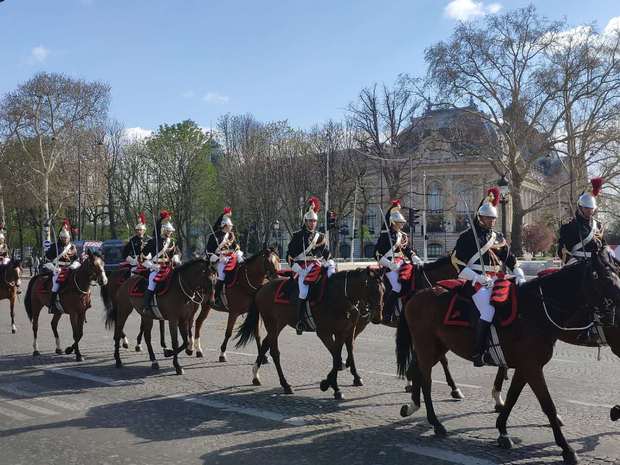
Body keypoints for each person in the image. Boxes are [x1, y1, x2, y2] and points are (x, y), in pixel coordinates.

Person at [451, 187, 525, 367]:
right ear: (480, 217)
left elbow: (510, 259)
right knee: (489, 311)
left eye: (494, 218)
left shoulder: (497, 237)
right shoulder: (468, 237)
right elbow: (457, 263)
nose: (492, 221)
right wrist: (477, 277)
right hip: (476, 282)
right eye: (488, 218)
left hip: (497, 279)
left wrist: (519, 274)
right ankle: (478, 351)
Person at [286, 196, 335, 335]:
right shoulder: (298, 236)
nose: (313, 223)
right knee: (303, 292)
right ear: (305, 221)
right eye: (310, 221)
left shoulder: (320, 237)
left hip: (317, 266)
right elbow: (289, 256)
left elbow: (327, 254)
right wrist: (299, 270)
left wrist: (329, 261)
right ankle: (300, 321)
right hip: (302, 268)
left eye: (314, 221)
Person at [374, 199, 423, 323]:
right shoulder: (385, 236)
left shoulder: (402, 235)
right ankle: (388, 313)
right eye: (399, 223)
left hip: (402, 264)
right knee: (398, 286)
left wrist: (413, 257)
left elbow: (407, 250)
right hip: (389, 267)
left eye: (402, 222)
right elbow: (377, 254)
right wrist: (390, 264)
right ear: (392, 222)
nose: (401, 225)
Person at [141, 211, 181, 319]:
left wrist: (176, 259)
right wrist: (152, 266)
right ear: (163, 230)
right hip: (156, 268)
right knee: (152, 284)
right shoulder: (153, 242)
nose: (170, 233)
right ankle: (146, 306)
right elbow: (142, 258)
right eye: (168, 231)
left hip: (168, 268)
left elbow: (176, 253)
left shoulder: (172, 242)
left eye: (171, 231)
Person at [558, 178, 607, 266]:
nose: (589, 211)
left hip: (598, 265)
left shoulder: (598, 225)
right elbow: (562, 250)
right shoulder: (569, 226)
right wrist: (576, 264)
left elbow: (604, 245)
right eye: (586, 208)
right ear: (580, 208)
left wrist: (604, 255)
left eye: (591, 208)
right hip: (578, 266)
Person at [206, 207, 244, 308]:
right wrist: (218, 258)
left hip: (231, 258)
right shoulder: (214, 236)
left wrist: (237, 252)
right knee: (222, 274)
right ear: (224, 225)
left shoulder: (231, 235)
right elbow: (208, 251)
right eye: (229, 226)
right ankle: (217, 296)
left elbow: (235, 246)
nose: (231, 227)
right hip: (219, 260)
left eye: (231, 226)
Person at [44, 219, 80, 314]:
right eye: (63, 238)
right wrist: (54, 268)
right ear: (60, 237)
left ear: (69, 238)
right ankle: (52, 305)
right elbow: (47, 259)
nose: (65, 239)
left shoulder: (72, 247)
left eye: (66, 238)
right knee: (55, 285)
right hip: (58, 270)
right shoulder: (54, 247)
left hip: (70, 269)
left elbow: (77, 259)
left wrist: (73, 266)